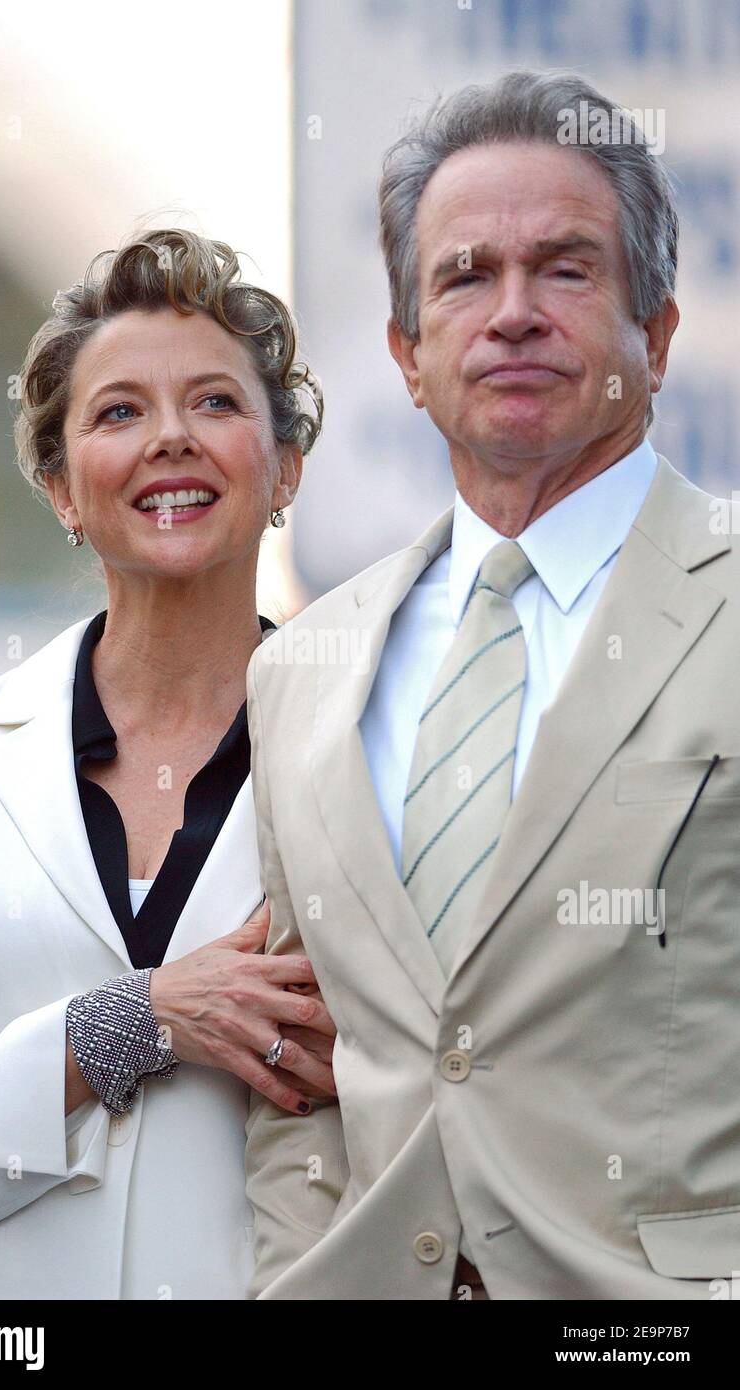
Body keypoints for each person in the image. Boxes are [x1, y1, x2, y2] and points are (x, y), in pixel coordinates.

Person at [243, 69, 740, 1299]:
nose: (511, 312)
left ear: (657, 334)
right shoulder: (300, 670)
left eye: (565, 268)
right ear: (410, 358)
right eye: (466, 275)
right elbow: (297, 1071)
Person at [0, 228, 336, 1299]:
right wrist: (128, 1023)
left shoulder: (379, 758)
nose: (171, 438)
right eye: (119, 411)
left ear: (284, 468)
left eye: (218, 403)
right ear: (59, 486)